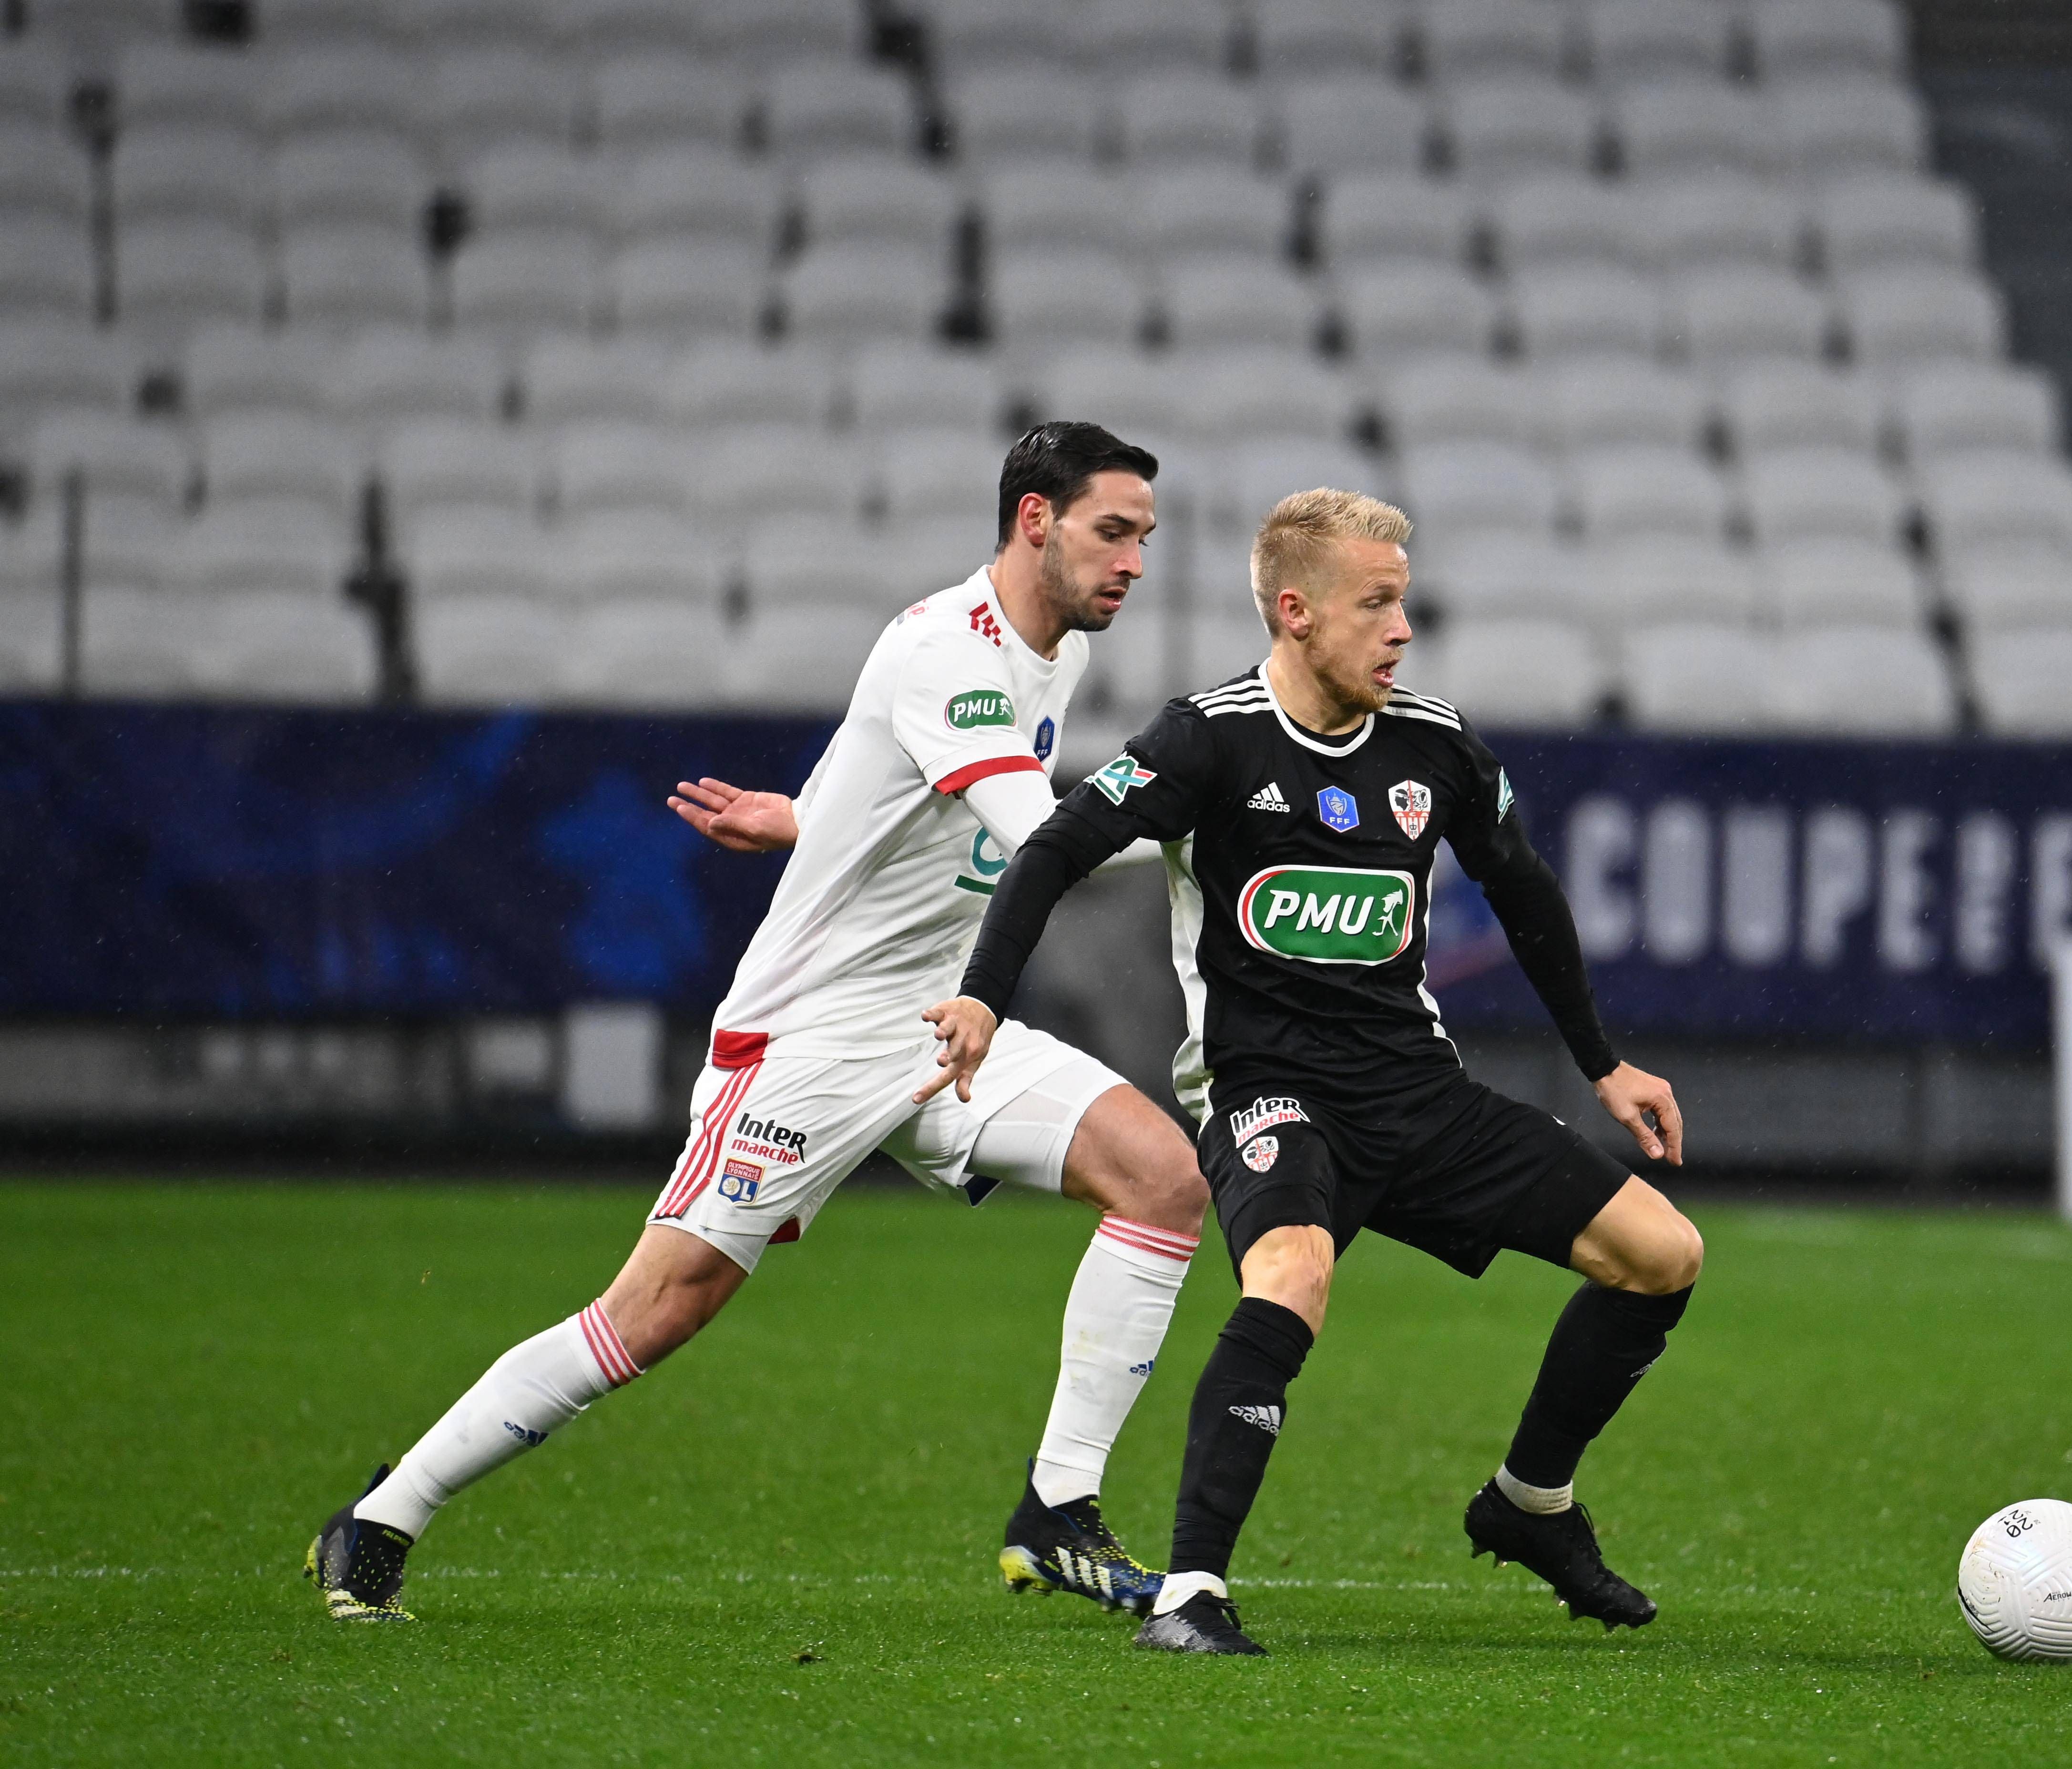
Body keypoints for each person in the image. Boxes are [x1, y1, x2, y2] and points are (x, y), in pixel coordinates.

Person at [306, 424, 1209, 1622]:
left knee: (1162, 1178)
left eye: (1146, 537)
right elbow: (1043, 831)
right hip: (810, 1038)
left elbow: (880, 774)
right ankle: (383, 1514)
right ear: (1035, 520)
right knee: (655, 1310)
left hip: (944, 1021)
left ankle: (1058, 1512)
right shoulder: (949, 647)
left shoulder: (1048, 652)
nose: (1136, 560)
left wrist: (802, 822)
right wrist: (1224, 804)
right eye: (1114, 530)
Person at [919, 488, 1704, 1657]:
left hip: (1419, 1094)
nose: (1401, 627)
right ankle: (1191, 1594)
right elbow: (1058, 844)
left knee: (1663, 1257)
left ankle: (1531, 1502)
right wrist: (985, 989)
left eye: (1405, 600)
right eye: (1376, 603)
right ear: (1296, 611)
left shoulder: (1432, 742)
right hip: (1265, 1091)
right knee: (1290, 1276)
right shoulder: (1209, 737)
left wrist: (1603, 1063)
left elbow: (1527, 892)